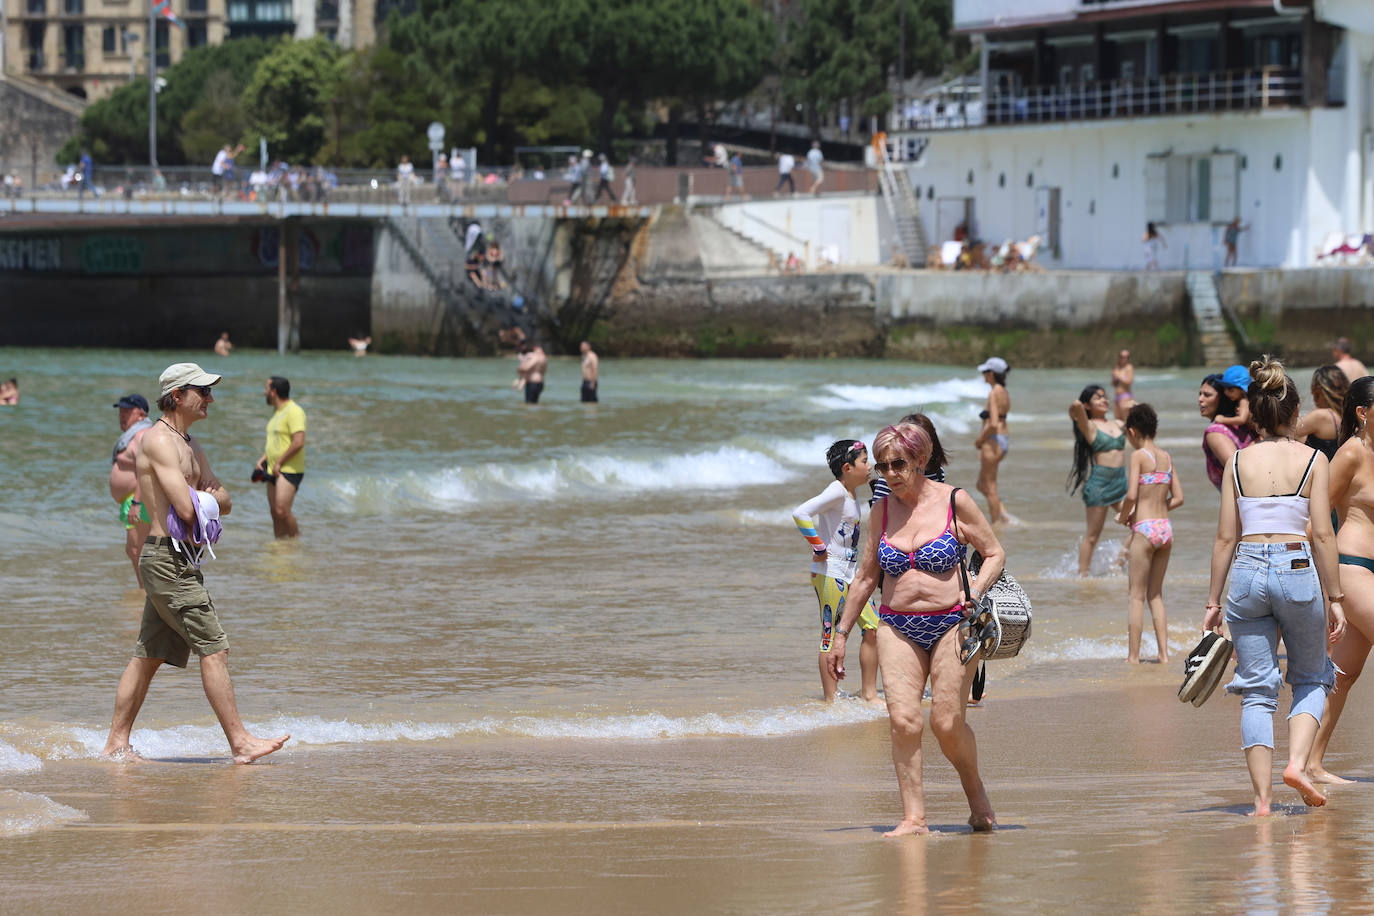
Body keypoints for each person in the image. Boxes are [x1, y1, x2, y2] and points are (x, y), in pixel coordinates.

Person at [99, 362, 290, 765]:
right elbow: (188, 508)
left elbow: (226, 499)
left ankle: (116, 743)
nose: (210, 399)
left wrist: (208, 496)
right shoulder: (160, 442)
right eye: (202, 391)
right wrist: (204, 495)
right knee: (215, 648)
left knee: (147, 655)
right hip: (166, 560)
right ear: (177, 396)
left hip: (179, 560)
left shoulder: (189, 444)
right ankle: (240, 743)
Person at [827, 423, 1004, 835]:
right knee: (904, 721)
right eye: (883, 466)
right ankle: (914, 819)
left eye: (899, 464)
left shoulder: (954, 501)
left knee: (945, 724)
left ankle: (976, 794)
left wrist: (975, 591)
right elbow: (866, 578)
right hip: (897, 625)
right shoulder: (882, 511)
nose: (889, 473)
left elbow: (994, 553)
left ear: (921, 461)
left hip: (953, 624)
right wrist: (841, 636)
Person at [1203, 356, 1343, 815]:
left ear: (1257, 414)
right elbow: (1322, 534)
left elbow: (1226, 536)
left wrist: (1212, 600)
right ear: (1295, 412)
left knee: (1257, 690)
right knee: (1313, 675)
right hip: (1297, 567)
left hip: (1245, 571)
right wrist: (1336, 597)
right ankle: (1298, 765)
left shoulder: (1238, 461)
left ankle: (1262, 803)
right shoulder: (1313, 459)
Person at [1307, 376, 1374, 783]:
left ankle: (1308, 763)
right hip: (1352, 567)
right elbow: (1316, 511)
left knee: (1343, 676)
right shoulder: (1351, 452)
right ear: (1363, 413)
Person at [792, 440, 881, 702]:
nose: (870, 466)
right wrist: (818, 547)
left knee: (873, 627)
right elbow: (801, 513)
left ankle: (868, 693)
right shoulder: (836, 491)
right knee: (830, 635)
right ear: (847, 467)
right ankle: (831, 701)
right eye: (865, 462)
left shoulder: (852, 495)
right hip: (830, 572)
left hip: (852, 574)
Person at [1115, 404, 1183, 663]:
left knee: (1135, 595)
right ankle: (1164, 655)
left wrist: (1124, 517)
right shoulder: (1166, 456)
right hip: (1164, 529)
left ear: (1132, 431)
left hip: (1143, 530)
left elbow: (1131, 495)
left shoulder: (1138, 456)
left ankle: (1133, 657)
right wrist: (1159, 510)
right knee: (1156, 595)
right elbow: (1179, 497)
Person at [1068, 385, 1128, 577]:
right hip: (1100, 485)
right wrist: (1079, 407)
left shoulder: (1118, 424)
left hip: (1120, 483)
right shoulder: (1089, 426)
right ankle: (1082, 575)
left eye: (1105, 397)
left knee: (1141, 524)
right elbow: (1075, 407)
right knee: (1093, 536)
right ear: (1088, 405)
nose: (1104, 400)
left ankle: (1117, 564)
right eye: (1098, 398)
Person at [110, 394, 156, 587]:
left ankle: (147, 592)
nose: (122, 415)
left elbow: (148, 470)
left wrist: (136, 503)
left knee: (138, 549)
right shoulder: (132, 435)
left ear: (141, 414)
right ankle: (144, 591)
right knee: (134, 550)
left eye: (127, 411)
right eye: (120, 411)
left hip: (140, 499)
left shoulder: (142, 435)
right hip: (133, 499)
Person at [255, 376, 306, 539]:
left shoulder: (294, 411)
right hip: (272, 468)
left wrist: (279, 462)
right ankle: (280, 544)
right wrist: (263, 459)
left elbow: (298, 442)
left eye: (266, 389)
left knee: (282, 510)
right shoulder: (277, 413)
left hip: (289, 468)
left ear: (274, 391)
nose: (264, 392)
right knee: (274, 513)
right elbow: (275, 443)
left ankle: (295, 540)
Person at [1199, 373, 1255, 491]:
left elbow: (1239, 472)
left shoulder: (1216, 433)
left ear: (1224, 398)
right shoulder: (1247, 425)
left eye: (1207, 395)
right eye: (1200, 394)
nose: (1200, 399)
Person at [973, 357, 1012, 524]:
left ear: (991, 373)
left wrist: (980, 441)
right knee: (982, 485)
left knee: (990, 487)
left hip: (993, 440)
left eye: (985, 372)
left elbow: (993, 423)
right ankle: (1003, 515)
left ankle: (996, 525)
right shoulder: (1003, 391)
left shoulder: (993, 392)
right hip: (1003, 439)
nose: (983, 375)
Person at [1292, 365, 1348, 462]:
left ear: (1318, 391)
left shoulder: (1321, 416)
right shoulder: (1347, 414)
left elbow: (1287, 433)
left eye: (1314, 393)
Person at [1214, 364, 1254, 435]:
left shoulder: (1244, 401)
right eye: (1224, 388)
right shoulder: (1246, 399)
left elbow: (1242, 420)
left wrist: (1222, 419)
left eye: (1230, 390)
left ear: (1242, 390)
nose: (1226, 392)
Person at [1110, 349, 1135, 420]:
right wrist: (1114, 378)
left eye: (1126, 357)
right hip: (1117, 397)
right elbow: (1113, 384)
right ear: (1119, 357)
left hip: (1125, 396)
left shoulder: (1129, 367)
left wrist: (1118, 376)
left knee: (1126, 420)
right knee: (1117, 420)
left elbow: (1129, 382)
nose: (1123, 358)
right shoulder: (1116, 368)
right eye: (1121, 356)